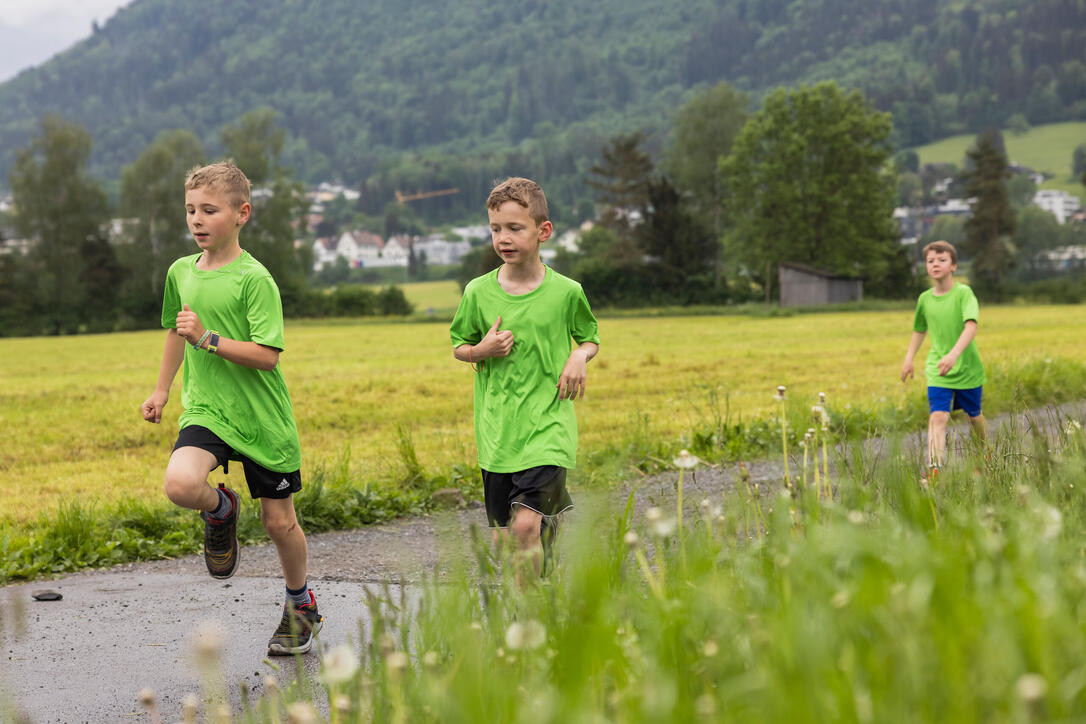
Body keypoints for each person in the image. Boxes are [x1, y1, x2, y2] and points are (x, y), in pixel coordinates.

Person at [140, 161, 321, 655]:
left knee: (280, 523)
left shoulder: (254, 279)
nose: (197, 220)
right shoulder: (181, 271)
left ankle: (300, 605)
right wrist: (161, 391)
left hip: (261, 418)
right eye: (190, 210)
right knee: (180, 483)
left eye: (209, 211)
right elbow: (178, 334)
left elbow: (267, 356)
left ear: (242, 214)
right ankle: (221, 511)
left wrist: (209, 338)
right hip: (206, 410)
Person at [450, 177, 600, 577]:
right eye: (496, 229)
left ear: (542, 231)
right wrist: (481, 351)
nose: (503, 238)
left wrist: (579, 357)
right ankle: (543, 549)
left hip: (548, 426)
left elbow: (590, 339)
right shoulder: (477, 293)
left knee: (523, 528)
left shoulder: (567, 292)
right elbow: (459, 346)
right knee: (507, 543)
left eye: (515, 228)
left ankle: (527, 624)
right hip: (498, 432)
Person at [900, 240, 988, 477]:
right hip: (938, 368)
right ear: (926, 267)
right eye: (930, 261)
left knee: (974, 418)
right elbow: (919, 329)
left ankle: (982, 457)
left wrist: (954, 354)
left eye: (941, 259)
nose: (935, 264)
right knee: (938, 416)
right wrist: (909, 358)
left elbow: (971, 327)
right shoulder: (924, 299)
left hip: (967, 368)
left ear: (953, 266)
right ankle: (934, 471)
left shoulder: (963, 293)